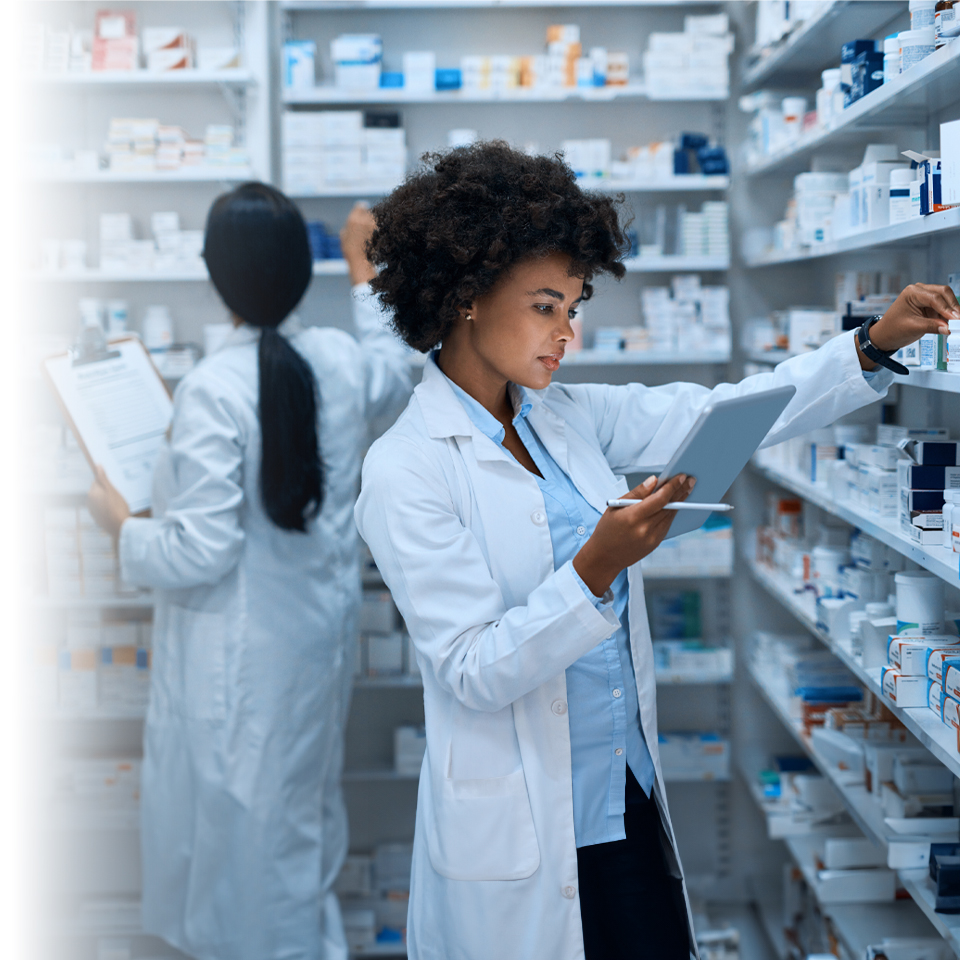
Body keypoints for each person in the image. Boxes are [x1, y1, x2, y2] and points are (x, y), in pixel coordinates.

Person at [353, 141, 960, 960]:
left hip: (623, 798)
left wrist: (869, 346)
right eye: (545, 306)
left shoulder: (564, 415)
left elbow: (727, 413)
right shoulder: (407, 465)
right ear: (464, 294)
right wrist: (596, 566)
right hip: (525, 827)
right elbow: (471, 667)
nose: (566, 332)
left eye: (573, 306)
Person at [87, 184, 412, 960]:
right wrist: (365, 274)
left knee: (242, 845)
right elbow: (397, 367)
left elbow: (199, 551)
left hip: (235, 664)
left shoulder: (212, 388)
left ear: (214, 274)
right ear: (304, 269)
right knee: (294, 825)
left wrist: (121, 527)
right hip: (312, 648)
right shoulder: (337, 361)